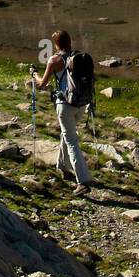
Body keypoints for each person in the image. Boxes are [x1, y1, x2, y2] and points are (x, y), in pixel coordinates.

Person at [31, 29, 93, 197]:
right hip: (81, 103)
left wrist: (34, 74)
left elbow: (43, 84)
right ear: (69, 41)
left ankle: (83, 181)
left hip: (65, 104)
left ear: (56, 44)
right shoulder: (79, 57)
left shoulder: (54, 59)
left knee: (71, 140)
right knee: (68, 134)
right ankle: (62, 166)